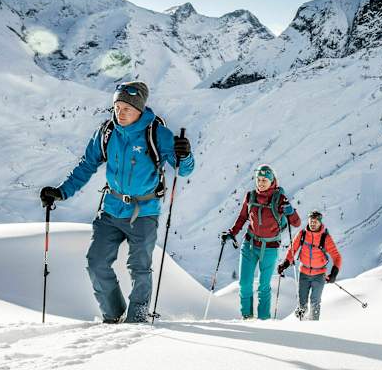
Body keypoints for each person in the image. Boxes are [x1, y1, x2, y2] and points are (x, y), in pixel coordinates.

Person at [39, 81, 194, 323]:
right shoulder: (107, 132)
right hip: (110, 209)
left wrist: (185, 154)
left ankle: (136, 320)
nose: (120, 113)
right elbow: (87, 165)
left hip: (144, 212)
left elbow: (182, 170)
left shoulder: (157, 134)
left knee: (140, 269)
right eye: (117, 107)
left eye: (126, 109)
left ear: (139, 110)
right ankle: (113, 316)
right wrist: (61, 192)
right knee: (96, 263)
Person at [222, 165, 300, 320]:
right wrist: (232, 232)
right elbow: (242, 217)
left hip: (270, 248)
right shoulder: (250, 196)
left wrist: (291, 212)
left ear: (272, 181)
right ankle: (247, 317)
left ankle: (263, 321)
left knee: (264, 286)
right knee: (244, 284)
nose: (261, 183)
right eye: (259, 179)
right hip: (249, 244)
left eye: (265, 180)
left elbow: (296, 223)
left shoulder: (279, 199)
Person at [278, 209, 342, 321]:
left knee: (315, 301)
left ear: (320, 222)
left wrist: (334, 274)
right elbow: (292, 250)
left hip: (319, 275)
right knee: (302, 302)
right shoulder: (302, 234)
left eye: (315, 222)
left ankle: (313, 326)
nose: (313, 224)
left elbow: (337, 257)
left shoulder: (325, 238)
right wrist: (285, 263)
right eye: (311, 221)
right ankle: (301, 323)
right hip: (304, 273)